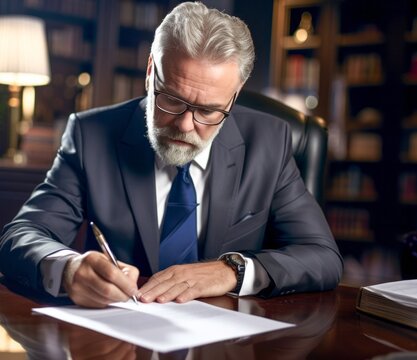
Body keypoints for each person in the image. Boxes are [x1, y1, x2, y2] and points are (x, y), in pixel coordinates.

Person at [0, 1, 342, 308]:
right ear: (151, 70)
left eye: (209, 111)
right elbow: (20, 236)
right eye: (172, 99)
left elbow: (322, 256)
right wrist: (68, 268)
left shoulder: (271, 141)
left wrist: (233, 270)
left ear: (233, 98)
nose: (185, 125)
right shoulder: (91, 135)